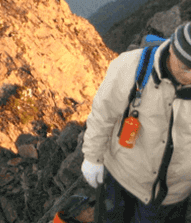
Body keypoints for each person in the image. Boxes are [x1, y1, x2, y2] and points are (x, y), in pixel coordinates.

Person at [81, 22, 191, 223]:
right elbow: (103, 113)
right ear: (172, 49)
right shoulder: (131, 66)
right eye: (186, 68)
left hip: (172, 194)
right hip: (121, 177)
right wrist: (92, 157)